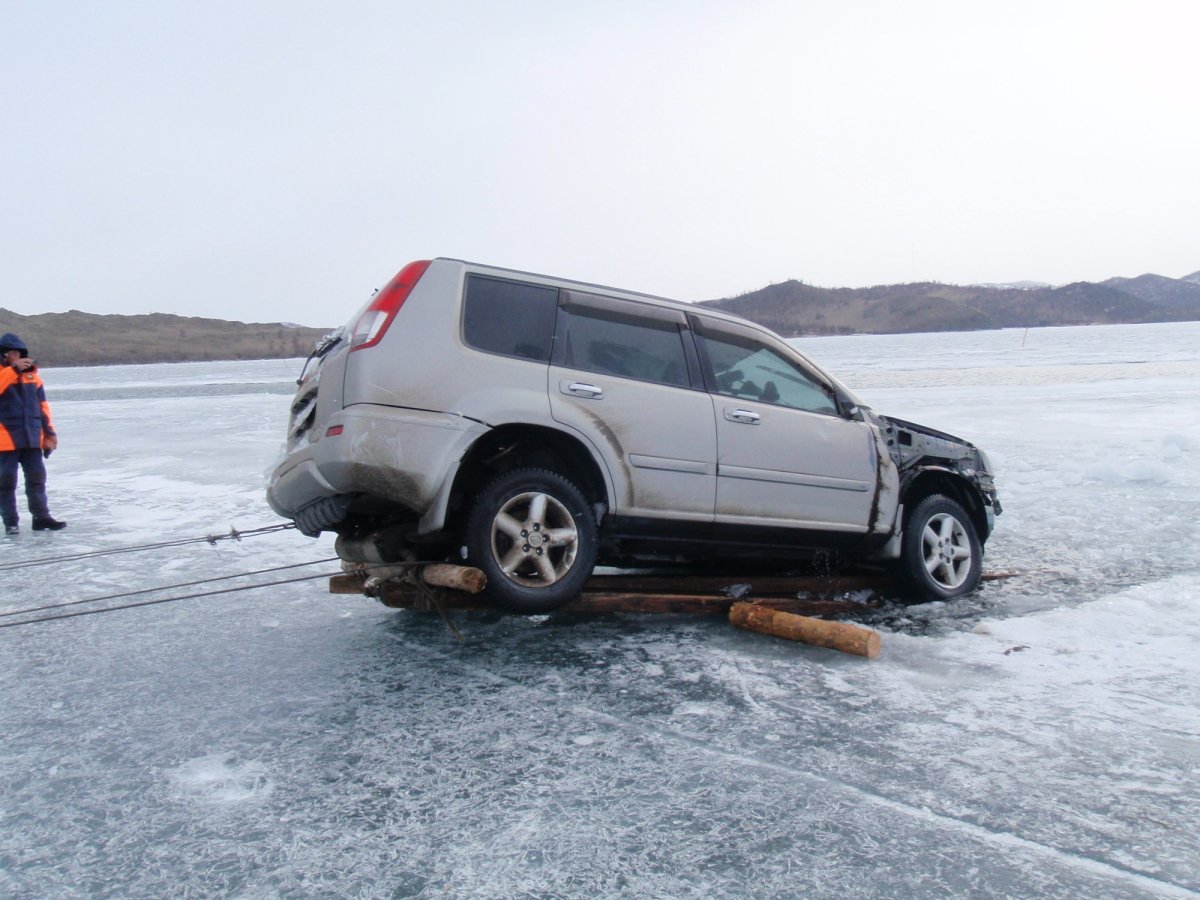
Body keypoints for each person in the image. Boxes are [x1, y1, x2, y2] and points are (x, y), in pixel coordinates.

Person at [0, 333, 66, 534]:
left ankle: (41, 518)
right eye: (13, 353)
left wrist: (49, 434)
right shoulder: (5, 375)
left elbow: (43, 407)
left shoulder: (33, 377)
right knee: (6, 482)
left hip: (32, 437)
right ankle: (11, 523)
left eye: (19, 353)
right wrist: (13, 371)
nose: (17, 356)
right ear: (3, 355)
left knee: (37, 479)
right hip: (5, 440)